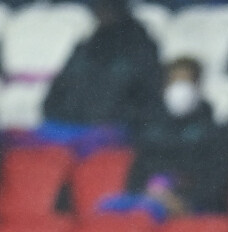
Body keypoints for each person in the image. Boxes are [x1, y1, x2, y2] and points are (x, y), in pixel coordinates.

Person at [128, 57, 228, 216]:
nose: (179, 89)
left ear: (198, 86)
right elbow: (135, 178)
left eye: (185, 82)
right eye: (174, 82)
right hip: (147, 204)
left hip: (192, 208)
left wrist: (183, 201)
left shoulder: (215, 134)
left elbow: (217, 186)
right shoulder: (152, 134)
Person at [43, 0, 163, 135]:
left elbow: (147, 100)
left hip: (120, 131)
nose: (102, 14)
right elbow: (57, 91)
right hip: (73, 127)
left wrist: (115, 123)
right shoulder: (87, 46)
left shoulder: (141, 47)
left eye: (107, 8)